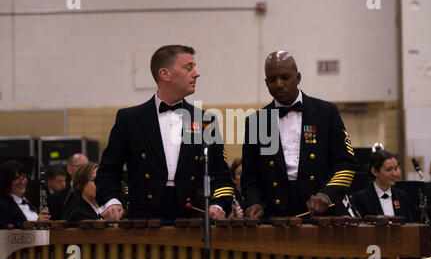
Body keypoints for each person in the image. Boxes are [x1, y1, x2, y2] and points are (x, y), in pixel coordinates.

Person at [96, 45, 234, 221]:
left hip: (193, 218)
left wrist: (219, 203)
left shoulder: (205, 120)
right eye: (188, 68)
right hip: (143, 220)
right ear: (165, 74)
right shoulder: (130, 119)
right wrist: (111, 202)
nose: (196, 73)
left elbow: (221, 175)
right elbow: (108, 172)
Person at [242, 51, 358, 218]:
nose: (279, 84)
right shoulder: (256, 122)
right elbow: (250, 176)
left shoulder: (326, 113)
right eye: (272, 80)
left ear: (298, 77)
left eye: (285, 77)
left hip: (321, 210)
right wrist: (254, 202)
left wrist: (327, 194)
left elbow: (346, 163)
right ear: (266, 83)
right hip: (275, 213)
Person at [351, 150, 411, 219]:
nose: (394, 174)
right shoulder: (361, 198)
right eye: (389, 170)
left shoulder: (402, 196)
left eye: (395, 168)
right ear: (375, 171)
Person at [0, 160, 52, 228]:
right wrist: (36, 224)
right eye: (17, 178)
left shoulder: (29, 201)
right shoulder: (3, 206)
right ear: (7, 182)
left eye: (24, 177)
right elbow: (7, 232)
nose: (22, 181)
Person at [52, 153, 89, 220]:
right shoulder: (58, 197)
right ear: (69, 169)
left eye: (88, 167)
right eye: (82, 167)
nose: (86, 171)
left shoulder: (94, 193)